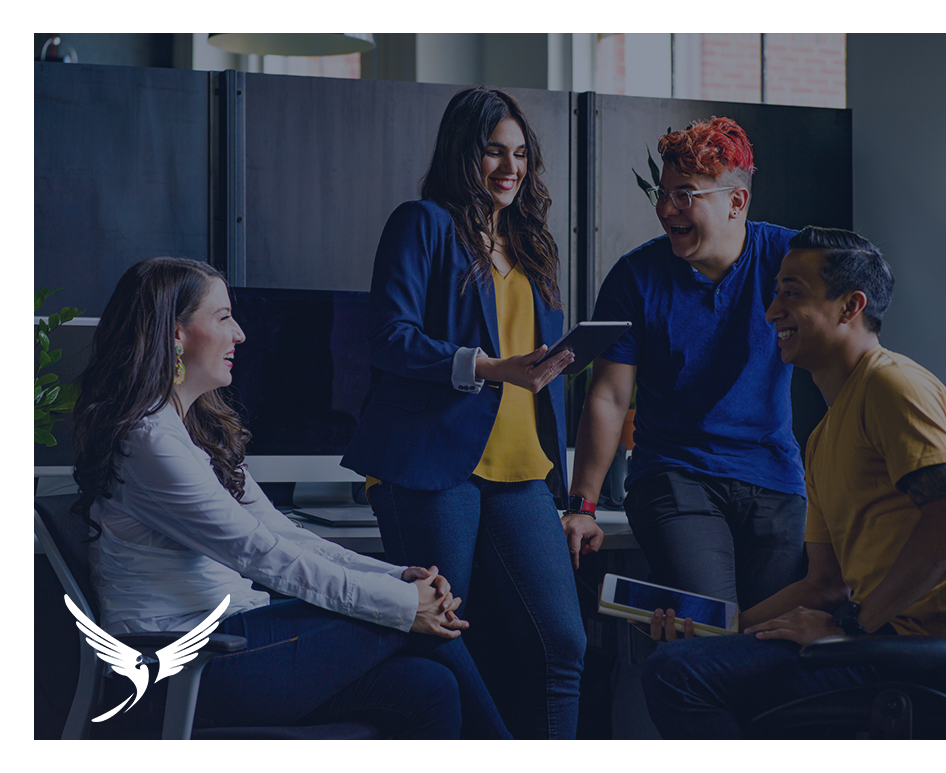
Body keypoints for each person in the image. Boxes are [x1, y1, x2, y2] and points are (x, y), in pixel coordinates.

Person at [71, 256, 509, 739]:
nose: (239, 334)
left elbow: (282, 533)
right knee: (403, 619)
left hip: (235, 639)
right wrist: (407, 603)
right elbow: (257, 552)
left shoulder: (191, 431)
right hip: (181, 666)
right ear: (174, 333)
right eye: (223, 318)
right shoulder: (149, 441)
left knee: (429, 688)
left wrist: (396, 577)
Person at [640, 226, 946, 738]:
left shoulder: (893, 385)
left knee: (677, 676)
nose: (772, 311)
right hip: (872, 639)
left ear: (850, 306)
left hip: (913, 658)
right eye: (776, 291)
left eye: (792, 293)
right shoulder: (823, 436)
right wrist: (719, 631)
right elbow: (825, 583)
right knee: (685, 658)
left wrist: (852, 626)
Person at [341, 87, 586, 739]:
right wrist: (486, 366)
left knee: (564, 642)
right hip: (432, 465)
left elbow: (528, 362)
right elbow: (388, 336)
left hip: (521, 468)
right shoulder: (422, 223)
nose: (510, 168)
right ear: (463, 153)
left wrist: (555, 363)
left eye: (521, 155)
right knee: (440, 635)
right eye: (493, 152)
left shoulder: (531, 244)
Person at [565, 117, 806, 612]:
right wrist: (582, 507)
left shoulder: (789, 258)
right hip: (675, 476)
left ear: (736, 202)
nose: (665, 209)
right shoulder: (636, 278)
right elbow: (609, 397)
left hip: (774, 476)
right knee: (712, 627)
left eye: (685, 194)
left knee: (771, 642)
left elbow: (853, 323)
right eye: (664, 193)